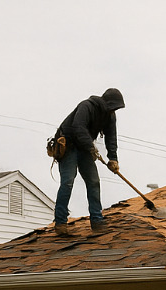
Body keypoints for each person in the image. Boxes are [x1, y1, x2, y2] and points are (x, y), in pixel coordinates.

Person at [51, 88, 124, 235]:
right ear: (107, 104)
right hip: (69, 146)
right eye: (113, 107)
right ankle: (60, 223)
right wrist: (91, 147)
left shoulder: (110, 116)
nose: (114, 111)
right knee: (68, 182)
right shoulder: (86, 106)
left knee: (94, 182)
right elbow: (78, 128)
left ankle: (97, 221)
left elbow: (111, 137)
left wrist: (113, 158)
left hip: (84, 148)